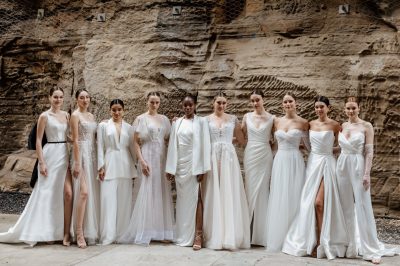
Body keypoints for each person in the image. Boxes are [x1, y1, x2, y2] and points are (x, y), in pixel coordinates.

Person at [0, 87, 70, 246]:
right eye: (55, 97)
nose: (58, 100)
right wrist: (42, 162)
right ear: (49, 98)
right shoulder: (44, 116)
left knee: (60, 194)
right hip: (50, 153)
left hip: (64, 155)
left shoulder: (66, 115)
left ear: (63, 99)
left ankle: (58, 231)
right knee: (46, 192)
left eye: (60, 97)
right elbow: (38, 140)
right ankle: (43, 232)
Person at [282, 96, 349, 259]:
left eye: (322, 107)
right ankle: (312, 241)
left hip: (327, 164)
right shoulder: (309, 124)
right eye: (316, 107)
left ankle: (322, 242)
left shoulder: (335, 125)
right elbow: (306, 144)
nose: (319, 109)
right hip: (312, 164)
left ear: (328, 108)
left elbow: (342, 146)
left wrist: (329, 153)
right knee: (308, 203)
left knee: (319, 203)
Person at [337, 97, 399, 264]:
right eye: (348, 108)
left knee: (363, 205)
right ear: (344, 110)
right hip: (342, 165)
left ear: (359, 108)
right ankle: (349, 245)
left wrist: (366, 174)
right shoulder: (342, 126)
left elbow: (369, 153)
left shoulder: (366, 126)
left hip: (358, 164)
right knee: (345, 204)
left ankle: (370, 249)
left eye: (353, 108)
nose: (351, 111)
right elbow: (339, 147)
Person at [119, 92, 174, 245]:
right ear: (147, 102)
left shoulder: (164, 119)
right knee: (148, 191)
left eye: (157, 102)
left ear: (160, 103)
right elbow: (135, 142)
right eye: (152, 102)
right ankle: (145, 230)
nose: (154, 105)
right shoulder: (141, 119)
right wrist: (141, 161)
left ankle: (160, 231)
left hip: (161, 158)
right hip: (148, 157)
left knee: (160, 191)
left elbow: (169, 139)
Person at [203, 91, 250, 250]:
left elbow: (242, 140)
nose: (221, 105)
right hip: (212, 156)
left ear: (227, 104)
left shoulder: (232, 119)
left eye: (224, 103)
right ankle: (214, 233)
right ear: (213, 103)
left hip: (228, 158)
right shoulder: (206, 120)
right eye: (218, 103)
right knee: (214, 191)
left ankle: (229, 234)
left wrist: (228, 141)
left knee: (228, 191)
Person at [166, 94, 211, 250]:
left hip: (194, 165)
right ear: (181, 106)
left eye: (190, 105)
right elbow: (173, 145)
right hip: (180, 166)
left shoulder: (202, 122)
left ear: (195, 105)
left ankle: (198, 235)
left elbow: (206, 145)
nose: (187, 108)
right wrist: (170, 168)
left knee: (197, 197)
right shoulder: (177, 123)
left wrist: (203, 168)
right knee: (182, 201)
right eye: (185, 105)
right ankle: (182, 234)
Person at [266, 93, 309, 251]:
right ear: (282, 104)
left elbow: (309, 146)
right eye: (285, 102)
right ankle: (279, 234)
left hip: (295, 160)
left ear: (296, 103)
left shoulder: (303, 122)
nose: (288, 104)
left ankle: (295, 234)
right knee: (279, 195)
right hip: (280, 160)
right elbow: (274, 145)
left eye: (290, 101)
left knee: (294, 194)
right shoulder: (277, 121)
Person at [97, 99, 137, 245]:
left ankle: (122, 234)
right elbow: (100, 146)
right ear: (110, 110)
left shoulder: (129, 127)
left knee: (124, 201)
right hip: (109, 163)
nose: (117, 112)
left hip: (125, 166)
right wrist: (100, 167)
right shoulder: (103, 126)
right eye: (114, 109)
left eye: (119, 109)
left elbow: (133, 149)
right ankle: (108, 235)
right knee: (108, 200)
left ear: (124, 110)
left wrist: (136, 167)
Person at [241, 89, 274, 247]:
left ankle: (261, 235)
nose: (255, 103)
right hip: (251, 153)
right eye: (252, 100)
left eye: (257, 100)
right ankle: (244, 233)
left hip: (265, 154)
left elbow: (275, 140)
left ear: (263, 99)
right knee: (249, 190)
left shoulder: (272, 118)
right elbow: (240, 136)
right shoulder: (246, 117)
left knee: (263, 191)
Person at [69, 89, 100, 247]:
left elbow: (95, 136)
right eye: (82, 97)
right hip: (80, 155)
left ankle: (89, 230)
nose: (85, 100)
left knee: (91, 193)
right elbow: (74, 140)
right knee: (84, 192)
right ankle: (79, 232)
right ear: (77, 100)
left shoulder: (91, 116)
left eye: (87, 97)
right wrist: (76, 162)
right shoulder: (75, 116)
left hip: (91, 155)